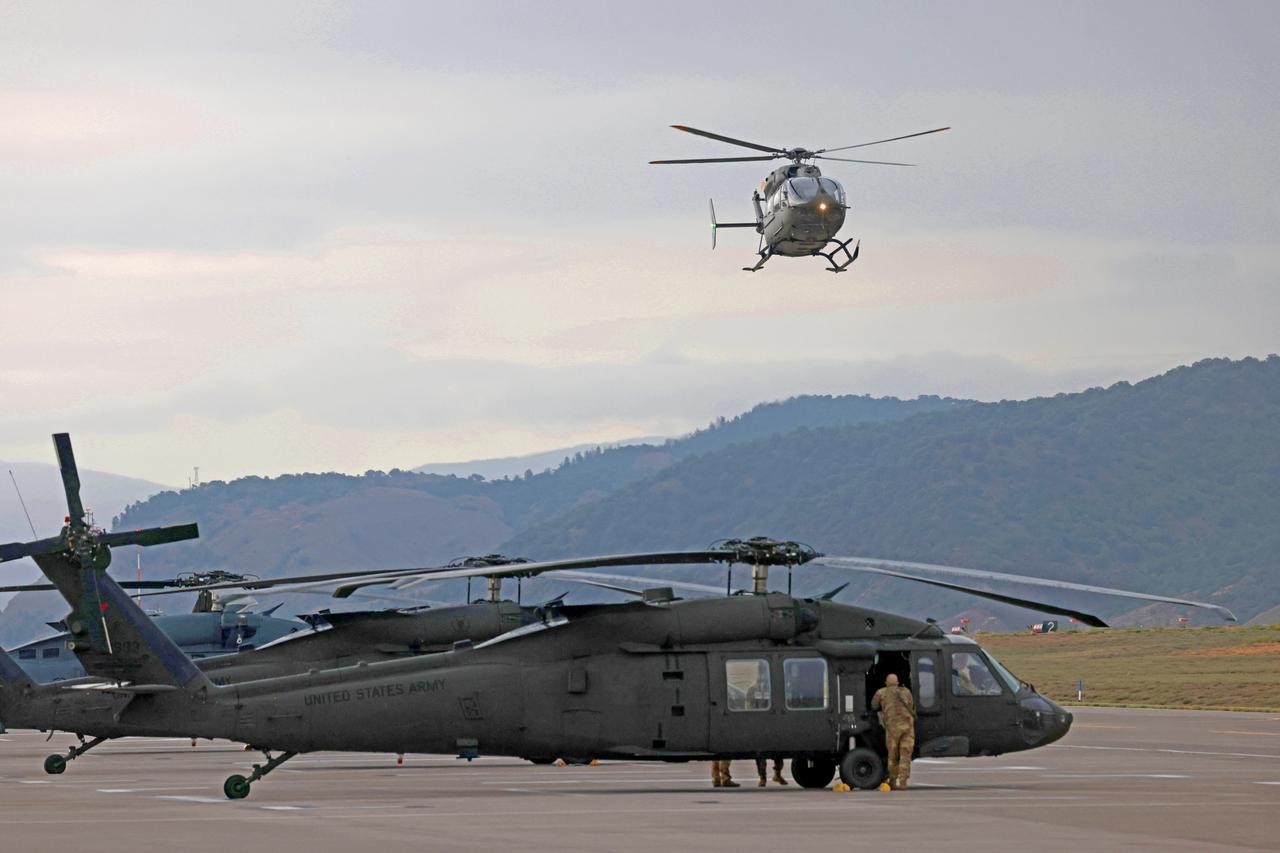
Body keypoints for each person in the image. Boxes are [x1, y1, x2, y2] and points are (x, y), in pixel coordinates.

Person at [871, 672, 917, 790]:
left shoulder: (881, 692)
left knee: (893, 755)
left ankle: (892, 781)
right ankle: (903, 782)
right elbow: (911, 705)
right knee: (905, 754)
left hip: (892, 729)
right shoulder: (906, 692)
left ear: (886, 683)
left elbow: (873, 706)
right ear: (897, 683)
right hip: (907, 727)